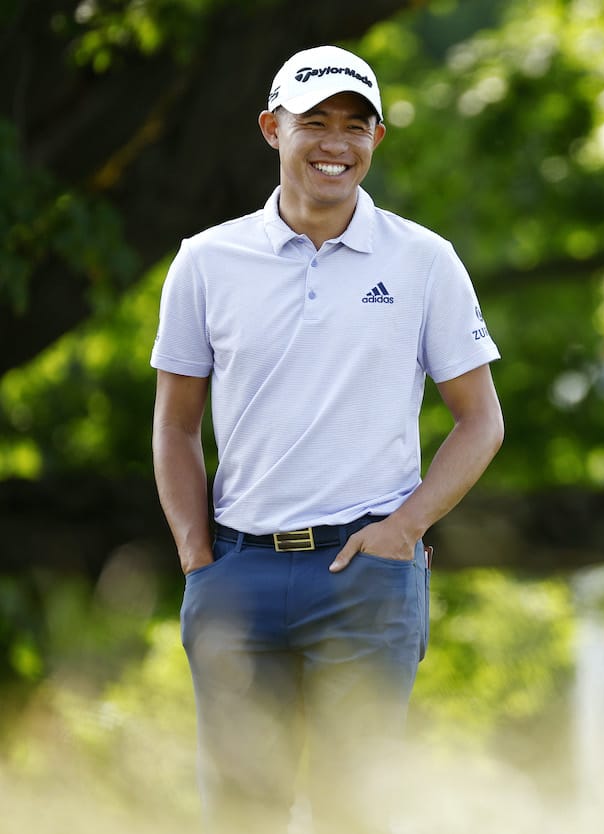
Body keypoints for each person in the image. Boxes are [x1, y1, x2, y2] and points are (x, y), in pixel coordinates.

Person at [150, 44, 504, 833]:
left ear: (378, 140)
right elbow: (175, 426)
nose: (335, 142)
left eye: (356, 124)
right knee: (241, 812)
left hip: (366, 576)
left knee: (358, 813)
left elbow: (481, 421)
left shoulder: (424, 262)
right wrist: (195, 557)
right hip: (235, 572)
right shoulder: (206, 263)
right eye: (315, 122)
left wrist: (406, 530)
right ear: (273, 129)